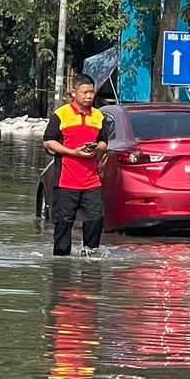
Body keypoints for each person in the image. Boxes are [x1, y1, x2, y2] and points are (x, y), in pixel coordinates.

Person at [42, 76, 115, 256]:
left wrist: (95, 147)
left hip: (91, 180)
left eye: (92, 92)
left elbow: (104, 142)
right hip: (66, 180)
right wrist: (73, 152)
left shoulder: (98, 116)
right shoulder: (61, 114)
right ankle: (61, 260)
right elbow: (48, 142)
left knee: (95, 218)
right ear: (74, 93)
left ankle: (89, 256)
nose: (89, 96)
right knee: (63, 223)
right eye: (85, 92)